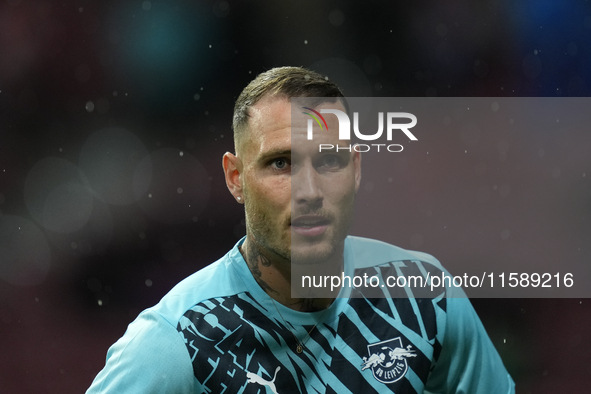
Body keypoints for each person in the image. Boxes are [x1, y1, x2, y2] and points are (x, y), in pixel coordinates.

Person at [86, 67, 515, 393]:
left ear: (357, 169)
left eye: (329, 161)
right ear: (235, 179)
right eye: (280, 163)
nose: (309, 190)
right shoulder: (177, 342)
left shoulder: (423, 298)